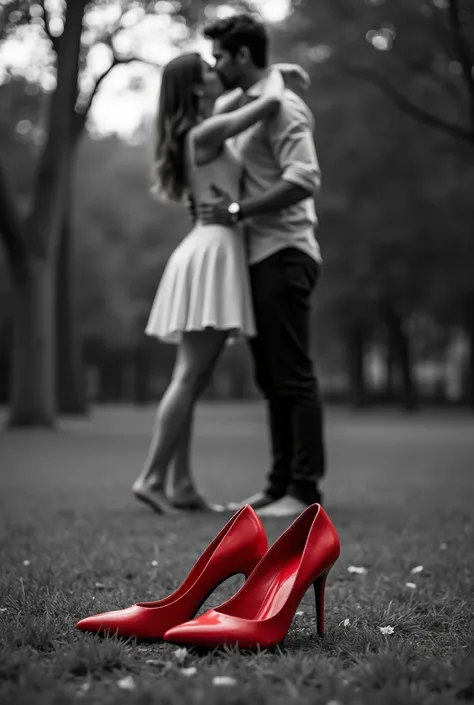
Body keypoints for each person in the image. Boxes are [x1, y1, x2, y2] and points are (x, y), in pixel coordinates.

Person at [132, 51, 295, 513]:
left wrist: (264, 81)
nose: (216, 73)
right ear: (195, 86)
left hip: (207, 246)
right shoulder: (205, 133)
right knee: (189, 376)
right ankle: (150, 477)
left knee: (193, 377)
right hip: (213, 250)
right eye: (207, 70)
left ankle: (180, 485)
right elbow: (265, 106)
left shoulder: (198, 129)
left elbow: (239, 100)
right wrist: (278, 73)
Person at [198, 14, 326, 518]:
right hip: (255, 257)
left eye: (221, 57)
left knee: (292, 375)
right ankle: (278, 486)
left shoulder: (286, 110)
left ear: (243, 57)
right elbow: (214, 108)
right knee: (271, 377)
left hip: (287, 251)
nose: (215, 66)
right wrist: (278, 73)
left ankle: (304, 488)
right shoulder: (242, 103)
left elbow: (305, 178)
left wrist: (238, 211)